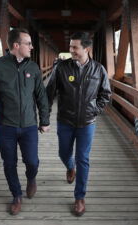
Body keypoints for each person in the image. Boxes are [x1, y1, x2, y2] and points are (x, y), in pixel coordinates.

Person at [0, 28, 50, 215]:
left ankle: (31, 178)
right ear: (16, 45)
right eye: (28, 43)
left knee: (32, 162)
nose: (32, 47)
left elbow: (41, 96)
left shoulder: (33, 67)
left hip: (28, 126)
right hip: (6, 127)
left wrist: (44, 119)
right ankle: (16, 195)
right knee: (9, 163)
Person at [46, 32, 111, 216]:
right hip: (65, 120)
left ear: (86, 49)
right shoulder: (62, 68)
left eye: (75, 47)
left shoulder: (99, 70)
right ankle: (69, 166)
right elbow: (49, 92)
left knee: (83, 158)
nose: (71, 50)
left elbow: (105, 94)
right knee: (63, 153)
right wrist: (45, 117)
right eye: (70, 46)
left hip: (87, 123)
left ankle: (79, 197)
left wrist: (94, 111)